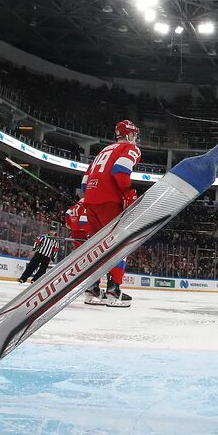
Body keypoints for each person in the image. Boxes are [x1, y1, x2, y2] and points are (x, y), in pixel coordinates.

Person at [75, 120, 140, 306]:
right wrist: (128, 193)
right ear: (129, 135)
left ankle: (92, 290)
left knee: (96, 248)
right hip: (110, 201)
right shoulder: (130, 148)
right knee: (119, 246)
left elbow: (85, 181)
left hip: (91, 201)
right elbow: (120, 170)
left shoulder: (104, 151)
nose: (135, 139)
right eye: (134, 135)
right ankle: (113, 292)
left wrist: (89, 199)